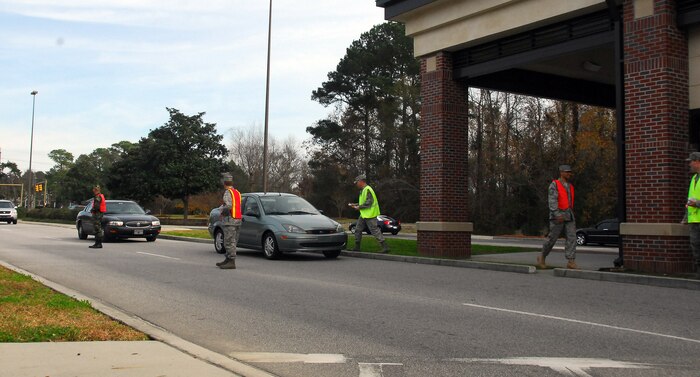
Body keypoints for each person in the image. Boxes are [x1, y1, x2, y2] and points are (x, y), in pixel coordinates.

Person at [537, 165, 578, 269]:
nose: (569, 174)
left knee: (572, 238)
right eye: (567, 172)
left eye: (570, 172)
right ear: (561, 172)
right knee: (552, 238)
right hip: (558, 215)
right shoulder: (555, 184)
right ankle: (542, 256)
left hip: (569, 216)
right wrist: (556, 214)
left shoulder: (570, 186)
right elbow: (552, 200)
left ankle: (571, 261)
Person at [349, 175, 389, 253]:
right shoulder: (363, 190)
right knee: (357, 230)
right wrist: (355, 204)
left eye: (357, 182)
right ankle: (357, 247)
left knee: (374, 230)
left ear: (361, 181)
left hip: (370, 214)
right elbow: (364, 202)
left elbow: (369, 202)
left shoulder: (367, 189)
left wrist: (359, 207)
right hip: (364, 214)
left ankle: (385, 247)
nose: (356, 184)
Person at [216, 173, 242, 270]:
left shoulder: (228, 192)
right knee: (233, 240)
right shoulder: (237, 192)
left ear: (224, 182)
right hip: (238, 219)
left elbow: (228, 206)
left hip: (230, 220)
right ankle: (227, 259)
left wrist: (222, 213)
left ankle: (231, 261)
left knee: (228, 241)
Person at [685, 152, 700, 276]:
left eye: (691, 161)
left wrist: (697, 204)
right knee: (695, 246)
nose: (689, 164)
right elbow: (690, 199)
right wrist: (685, 217)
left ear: (698, 162)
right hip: (694, 220)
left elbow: (695, 201)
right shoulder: (693, 179)